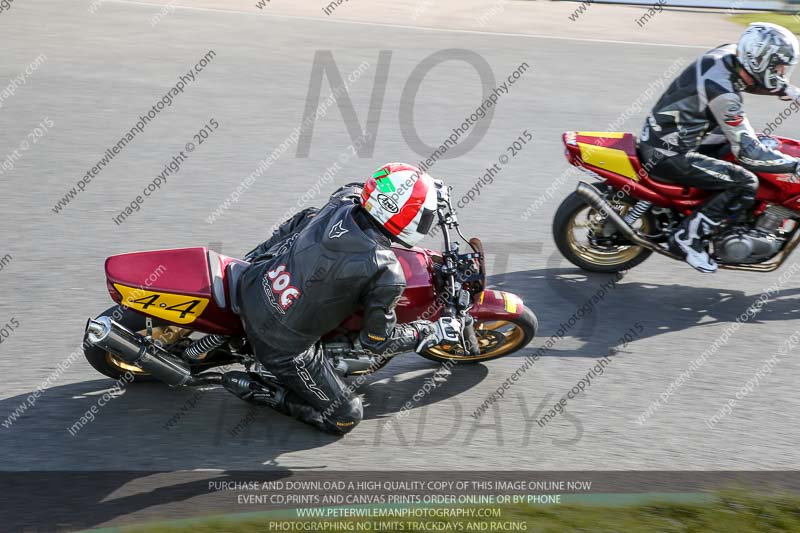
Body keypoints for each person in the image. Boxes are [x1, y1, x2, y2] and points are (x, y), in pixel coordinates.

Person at [222, 163, 462, 435]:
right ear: (406, 216)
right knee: (347, 415)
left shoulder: (342, 201)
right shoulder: (386, 272)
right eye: (423, 213)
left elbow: (357, 187)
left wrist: (425, 188)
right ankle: (269, 394)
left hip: (253, 279)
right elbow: (376, 341)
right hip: (280, 344)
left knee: (309, 216)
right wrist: (428, 331)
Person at [638, 22, 800, 273]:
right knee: (745, 182)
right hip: (670, 154)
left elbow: (751, 78)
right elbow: (749, 153)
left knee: (765, 144)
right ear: (760, 60)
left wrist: (789, 90)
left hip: (678, 134)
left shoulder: (728, 54)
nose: (781, 72)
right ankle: (687, 238)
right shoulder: (724, 95)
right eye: (778, 66)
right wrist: (794, 165)